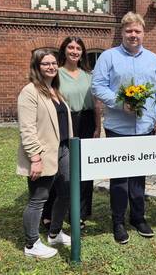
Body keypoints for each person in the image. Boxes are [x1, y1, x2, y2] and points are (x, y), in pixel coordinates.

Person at [92, 12, 156, 244]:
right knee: (120, 177)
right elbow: (97, 86)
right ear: (122, 32)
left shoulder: (153, 59)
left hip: (145, 127)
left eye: (137, 31)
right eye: (129, 31)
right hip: (118, 127)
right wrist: (119, 102)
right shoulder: (108, 57)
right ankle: (117, 221)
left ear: (143, 33)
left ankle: (138, 216)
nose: (133, 35)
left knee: (138, 176)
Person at [41, 37, 101, 231]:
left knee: (85, 170)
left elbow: (97, 103)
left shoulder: (88, 75)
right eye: (71, 47)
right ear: (64, 50)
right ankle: (49, 211)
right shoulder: (55, 73)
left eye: (78, 48)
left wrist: (98, 127)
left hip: (87, 121)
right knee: (59, 169)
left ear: (82, 52)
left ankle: (80, 213)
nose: (74, 51)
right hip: (64, 122)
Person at [17, 49, 72, 258]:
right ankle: (31, 245)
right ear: (36, 67)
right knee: (38, 199)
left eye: (53, 63)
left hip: (64, 150)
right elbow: (27, 129)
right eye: (45, 64)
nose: (51, 67)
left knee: (66, 193)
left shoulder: (55, 90)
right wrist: (35, 158)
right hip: (42, 154)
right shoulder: (30, 92)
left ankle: (55, 232)